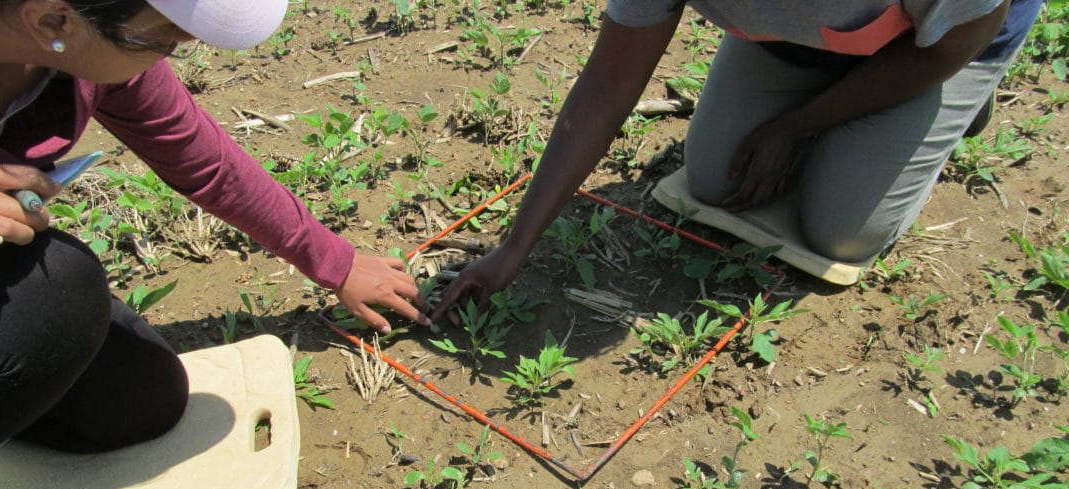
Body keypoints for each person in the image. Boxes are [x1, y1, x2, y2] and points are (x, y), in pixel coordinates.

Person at [0, 0, 430, 452]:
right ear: (51, 21)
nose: (184, 45)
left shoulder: (86, 53)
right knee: (59, 289)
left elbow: (205, 163)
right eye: (166, 34)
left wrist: (337, 262)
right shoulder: (88, 35)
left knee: (137, 399)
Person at [433, 0, 1044, 318]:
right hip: (809, 38)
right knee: (714, 176)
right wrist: (515, 247)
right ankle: (826, 95)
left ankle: (962, 103)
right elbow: (611, 83)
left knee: (843, 230)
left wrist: (797, 126)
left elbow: (946, 51)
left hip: (940, 44)